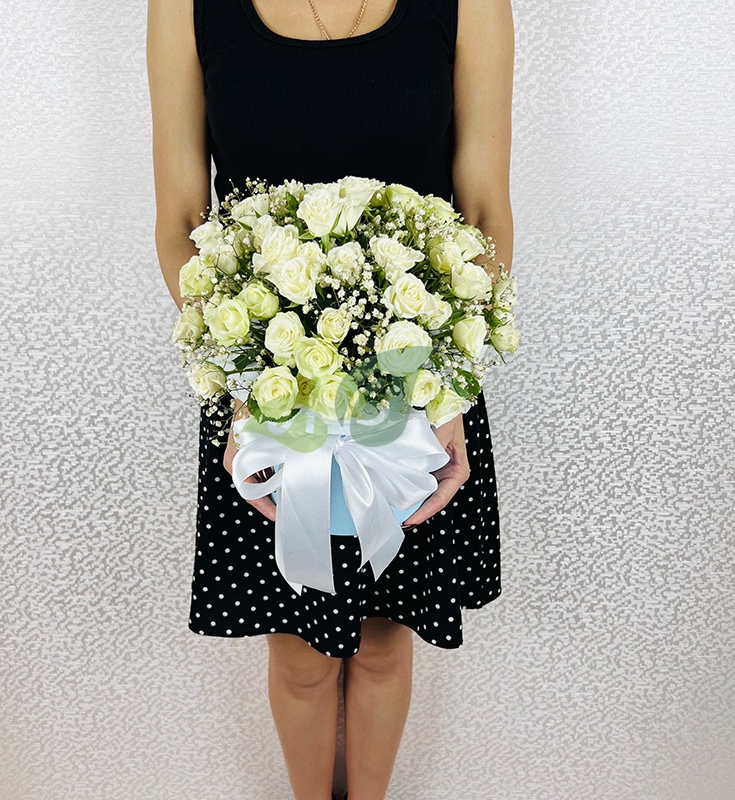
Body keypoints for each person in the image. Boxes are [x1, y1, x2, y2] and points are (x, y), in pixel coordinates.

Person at [147, 0, 514, 797]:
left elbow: (483, 210)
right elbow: (180, 219)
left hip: (419, 379)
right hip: (263, 384)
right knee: (299, 653)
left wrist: (444, 384)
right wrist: (246, 381)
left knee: (384, 642)